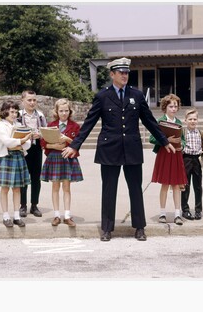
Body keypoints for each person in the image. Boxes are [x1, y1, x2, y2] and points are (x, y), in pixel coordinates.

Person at [61, 57, 176, 242]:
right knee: (109, 190)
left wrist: (164, 141)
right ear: (112, 74)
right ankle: (107, 229)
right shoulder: (103, 96)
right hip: (109, 149)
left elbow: (149, 121)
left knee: (135, 190)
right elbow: (89, 123)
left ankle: (139, 227)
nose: (125, 75)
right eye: (121, 72)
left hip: (132, 148)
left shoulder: (136, 95)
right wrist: (75, 145)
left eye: (127, 72)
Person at [40, 98, 83, 227]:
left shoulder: (75, 126)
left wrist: (68, 139)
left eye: (66, 111)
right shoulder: (50, 125)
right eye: (61, 111)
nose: (64, 113)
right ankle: (56, 215)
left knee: (66, 188)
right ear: (56, 111)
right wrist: (54, 146)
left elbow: (78, 142)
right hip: (54, 158)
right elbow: (43, 142)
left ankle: (67, 215)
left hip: (68, 158)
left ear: (70, 111)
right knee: (55, 187)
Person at [0, 100, 32, 228]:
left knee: (17, 188)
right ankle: (5, 215)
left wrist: (22, 142)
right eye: (11, 111)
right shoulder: (1, 126)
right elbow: (7, 142)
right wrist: (21, 141)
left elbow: (28, 144)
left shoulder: (19, 125)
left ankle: (17, 215)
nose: (14, 114)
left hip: (18, 156)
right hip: (6, 158)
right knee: (5, 188)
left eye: (15, 112)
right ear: (5, 112)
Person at [149, 94, 187, 226]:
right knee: (165, 184)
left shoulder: (178, 122)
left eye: (176, 106)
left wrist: (181, 144)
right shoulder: (160, 122)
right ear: (165, 107)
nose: (174, 109)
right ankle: (163, 213)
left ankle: (177, 213)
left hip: (175, 154)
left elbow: (182, 138)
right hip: (164, 154)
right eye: (171, 106)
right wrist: (166, 140)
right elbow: (151, 138)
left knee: (176, 184)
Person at [17, 90, 48, 218]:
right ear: (23, 101)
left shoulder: (40, 115)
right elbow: (14, 131)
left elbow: (46, 132)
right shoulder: (18, 115)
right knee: (23, 177)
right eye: (29, 100)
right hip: (23, 149)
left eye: (34, 100)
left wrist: (40, 134)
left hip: (36, 148)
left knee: (36, 177)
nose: (32, 102)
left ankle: (34, 205)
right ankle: (22, 205)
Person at [181, 107, 203, 221]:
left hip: (197, 160)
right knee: (185, 186)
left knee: (198, 186)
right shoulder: (183, 132)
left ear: (197, 120)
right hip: (186, 160)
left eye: (194, 119)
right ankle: (185, 210)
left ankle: (198, 210)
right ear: (185, 120)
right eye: (190, 119)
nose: (192, 121)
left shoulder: (201, 133)